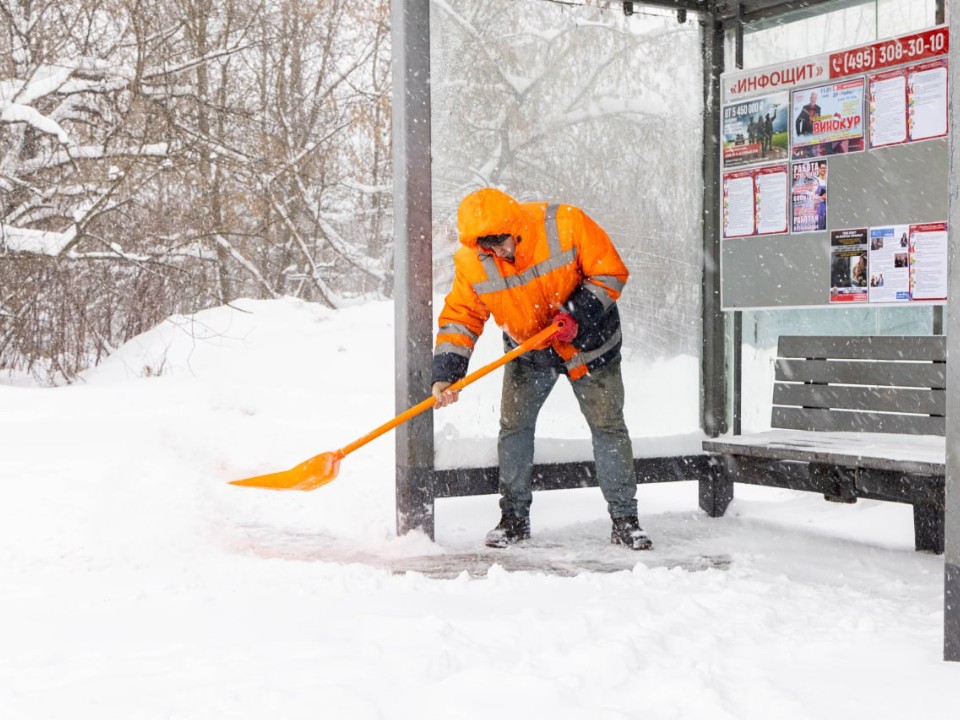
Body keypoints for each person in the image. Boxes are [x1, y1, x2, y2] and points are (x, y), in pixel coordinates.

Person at [431, 187, 651, 551]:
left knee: (608, 427)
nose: (500, 253)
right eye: (488, 247)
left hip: (590, 345)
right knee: (514, 428)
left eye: (502, 242)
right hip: (529, 350)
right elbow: (461, 318)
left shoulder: (565, 223)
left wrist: (576, 314)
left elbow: (610, 272)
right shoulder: (471, 262)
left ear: (515, 226)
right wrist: (447, 373)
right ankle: (514, 518)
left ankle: (625, 520)